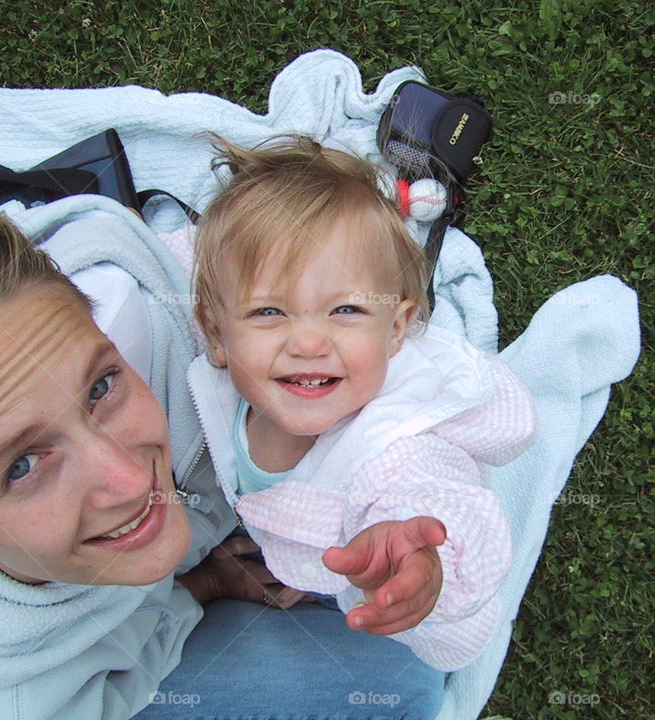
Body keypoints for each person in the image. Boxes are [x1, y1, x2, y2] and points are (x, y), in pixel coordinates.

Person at [0, 199, 445, 719]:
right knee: (398, 687)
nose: (131, 482)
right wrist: (192, 593)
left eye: (100, 387)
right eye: (22, 466)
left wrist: (204, 580)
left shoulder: (152, 315)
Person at [188, 137, 538, 671]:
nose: (308, 342)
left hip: (354, 570)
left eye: (346, 309)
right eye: (268, 312)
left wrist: (422, 562)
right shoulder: (217, 379)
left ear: (396, 330)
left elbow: (437, 500)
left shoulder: (392, 449)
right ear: (215, 333)